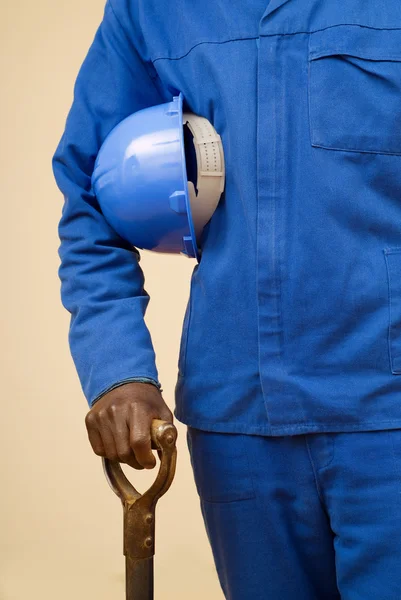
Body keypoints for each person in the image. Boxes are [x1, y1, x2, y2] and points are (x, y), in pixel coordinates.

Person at [52, 1, 401, 598]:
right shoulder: (152, 10)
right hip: (238, 423)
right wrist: (118, 372)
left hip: (388, 417)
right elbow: (92, 198)